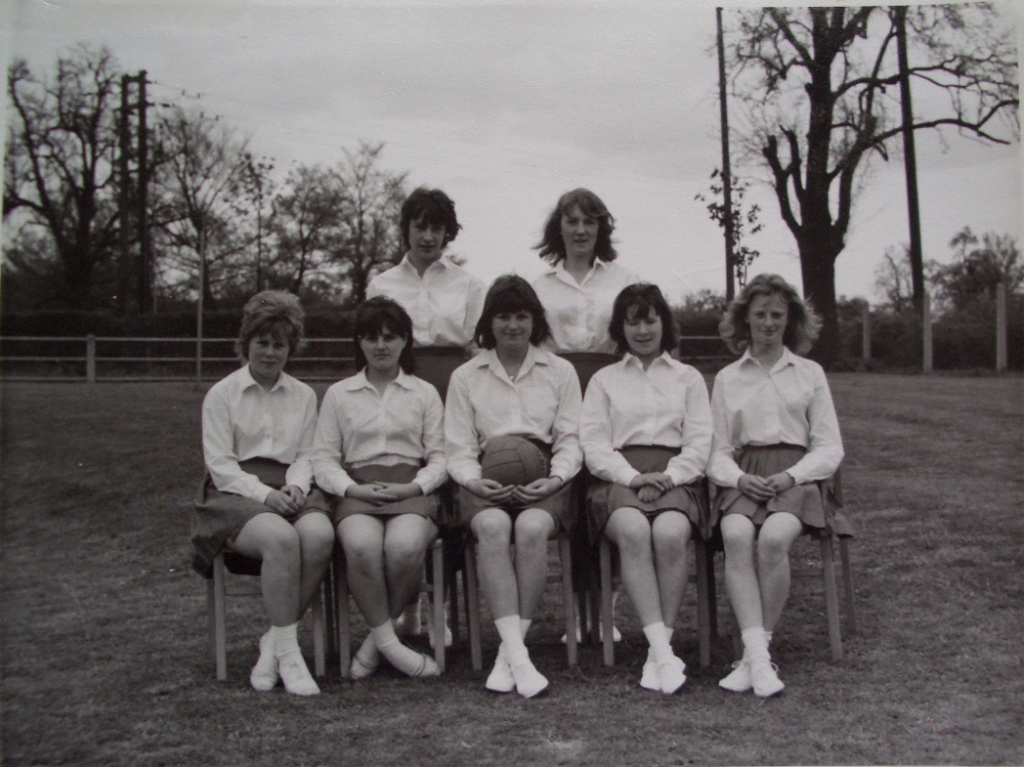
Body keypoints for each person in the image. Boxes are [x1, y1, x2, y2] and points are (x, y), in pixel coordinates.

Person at [707, 273, 850, 698]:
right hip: (746, 475)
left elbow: (829, 446)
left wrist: (792, 475)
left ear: (791, 321)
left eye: (778, 315)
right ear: (744, 319)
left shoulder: (809, 373)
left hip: (797, 474)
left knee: (772, 540)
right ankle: (757, 657)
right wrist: (738, 478)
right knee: (735, 535)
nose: (769, 323)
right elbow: (716, 451)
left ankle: (755, 657)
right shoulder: (727, 379)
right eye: (760, 315)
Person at [444, 275, 583, 698]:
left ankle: (510, 654)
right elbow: (459, 447)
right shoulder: (466, 375)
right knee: (491, 529)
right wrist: (475, 482)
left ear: (535, 321)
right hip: (485, 473)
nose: (512, 326)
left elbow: (570, 439)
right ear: (489, 321)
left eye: (522, 316)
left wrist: (554, 480)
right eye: (503, 316)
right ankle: (520, 658)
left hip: (546, 472)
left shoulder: (560, 370)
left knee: (531, 529)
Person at [191, 290, 335, 696]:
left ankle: (274, 643)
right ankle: (291, 657)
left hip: (291, 486)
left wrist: (294, 486)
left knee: (321, 535)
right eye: (262, 342)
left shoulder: (304, 395)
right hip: (234, 492)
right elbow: (220, 465)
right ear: (246, 343)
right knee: (281, 538)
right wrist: (264, 496)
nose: (271, 353)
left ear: (291, 348)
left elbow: (308, 454)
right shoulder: (222, 394)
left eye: (280, 344)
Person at [580, 284, 713, 694]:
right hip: (620, 477)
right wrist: (633, 477)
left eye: (650, 319)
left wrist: (669, 477)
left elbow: (700, 441)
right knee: (635, 533)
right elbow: (594, 443)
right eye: (633, 321)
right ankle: (661, 652)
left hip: (677, 475)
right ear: (621, 328)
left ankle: (661, 649)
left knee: (671, 535)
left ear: (664, 323)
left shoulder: (688, 378)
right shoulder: (604, 380)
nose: (642, 330)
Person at [367, 186, 485, 643]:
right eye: (420, 226)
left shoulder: (469, 284)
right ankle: (411, 604)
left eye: (438, 227)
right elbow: (375, 342)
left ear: (448, 233)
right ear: (407, 229)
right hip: (404, 390)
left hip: (453, 389)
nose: (428, 236)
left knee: (451, 499)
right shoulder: (382, 284)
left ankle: (444, 609)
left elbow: (478, 350)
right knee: (410, 497)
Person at [312, 297, 447, 679]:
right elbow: (322, 460)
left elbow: (440, 458)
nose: (381, 346)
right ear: (360, 343)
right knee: (361, 546)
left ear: (405, 341)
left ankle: (374, 644)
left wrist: (414, 489)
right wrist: (353, 491)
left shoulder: (424, 393)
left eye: (390, 337)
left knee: (403, 548)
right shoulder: (340, 394)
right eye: (371, 338)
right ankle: (392, 646)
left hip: (411, 492)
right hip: (358, 492)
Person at [531, 188, 638, 642]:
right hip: (557, 391)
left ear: (601, 229)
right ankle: (577, 611)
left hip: (610, 390)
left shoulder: (624, 281)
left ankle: (606, 610)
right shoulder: (539, 287)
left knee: (606, 496)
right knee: (570, 502)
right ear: (559, 227)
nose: (580, 230)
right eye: (571, 221)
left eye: (589, 222)